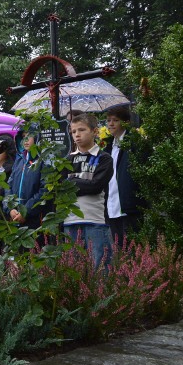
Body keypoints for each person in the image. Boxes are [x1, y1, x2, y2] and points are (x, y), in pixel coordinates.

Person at [64, 113, 114, 268]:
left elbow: (96, 186)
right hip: (70, 220)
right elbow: (60, 187)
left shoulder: (104, 158)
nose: (77, 135)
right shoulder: (67, 160)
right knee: (74, 271)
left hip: (95, 220)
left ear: (95, 131)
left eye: (82, 130)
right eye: (73, 131)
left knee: (99, 270)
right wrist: (84, 183)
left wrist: (71, 181)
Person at [103, 106, 144, 246]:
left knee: (133, 248)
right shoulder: (108, 147)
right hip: (111, 205)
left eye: (115, 120)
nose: (111, 124)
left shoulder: (133, 142)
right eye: (108, 120)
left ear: (126, 122)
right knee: (118, 249)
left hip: (128, 205)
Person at [3, 127, 48, 249]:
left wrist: (25, 211)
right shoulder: (20, 160)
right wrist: (10, 208)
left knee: (35, 255)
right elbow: (8, 186)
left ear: (38, 138)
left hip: (35, 219)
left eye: (29, 136)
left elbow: (44, 190)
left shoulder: (44, 161)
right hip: (15, 218)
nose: (26, 140)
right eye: (23, 137)